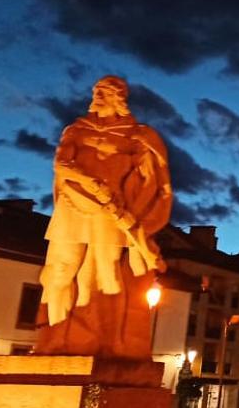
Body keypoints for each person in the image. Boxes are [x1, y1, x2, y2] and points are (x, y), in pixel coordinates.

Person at [39, 76, 172, 326]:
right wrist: (88, 180)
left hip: (110, 211)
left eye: (106, 92)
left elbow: (151, 177)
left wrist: (139, 211)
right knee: (59, 270)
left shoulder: (136, 135)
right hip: (73, 205)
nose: (98, 95)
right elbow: (61, 164)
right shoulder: (76, 130)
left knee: (103, 274)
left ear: (119, 98)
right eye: (97, 91)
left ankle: (96, 335)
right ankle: (55, 332)